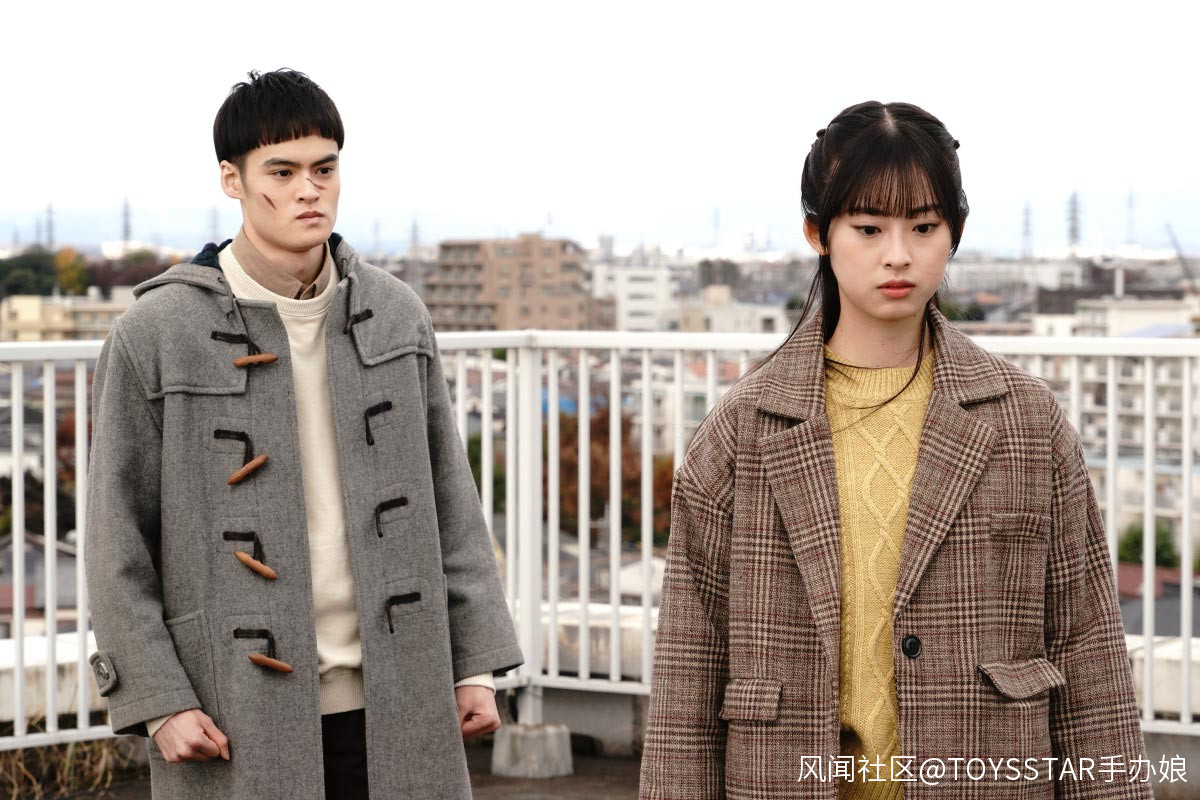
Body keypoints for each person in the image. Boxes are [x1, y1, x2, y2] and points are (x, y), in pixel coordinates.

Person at [639, 101, 1152, 798]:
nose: (898, 254)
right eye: (868, 227)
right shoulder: (743, 431)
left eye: (924, 226)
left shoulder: (1026, 422)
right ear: (818, 234)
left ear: (955, 231)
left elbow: (1088, 650)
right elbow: (687, 677)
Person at [84, 69, 522, 800]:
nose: (308, 190)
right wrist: (159, 700)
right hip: (229, 704)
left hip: (402, 691)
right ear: (232, 180)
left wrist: (474, 661)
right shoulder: (157, 332)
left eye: (324, 168)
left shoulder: (396, 313)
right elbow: (114, 537)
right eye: (281, 172)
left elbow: (452, 498)